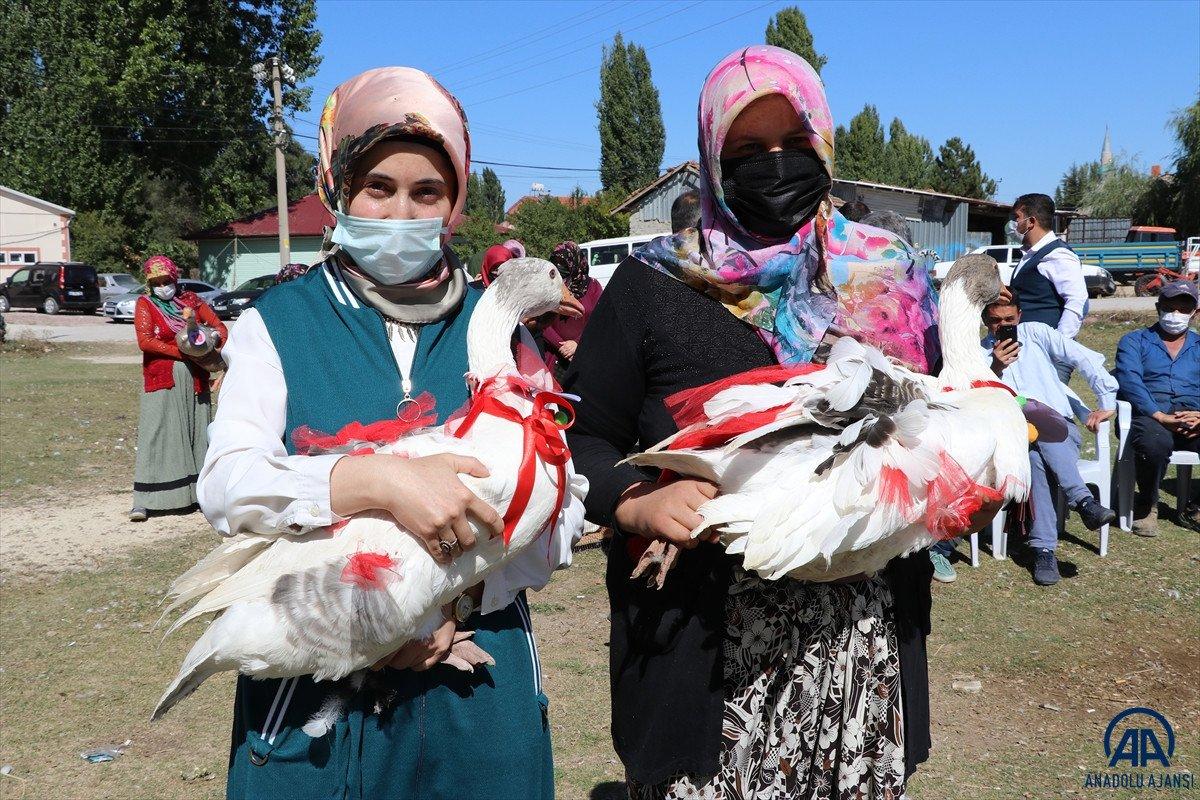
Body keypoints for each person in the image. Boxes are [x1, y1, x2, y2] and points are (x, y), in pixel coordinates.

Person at [566, 45, 945, 798]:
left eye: (793, 145)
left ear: (824, 145)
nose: (774, 166)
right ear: (710, 159)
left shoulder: (890, 275)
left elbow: (930, 420)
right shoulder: (651, 287)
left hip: (859, 643)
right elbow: (579, 435)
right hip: (704, 651)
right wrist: (636, 500)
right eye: (746, 150)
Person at [197, 66, 585, 800]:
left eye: (426, 192)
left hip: (478, 689)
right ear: (339, 188)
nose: (401, 211)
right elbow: (226, 486)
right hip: (315, 698)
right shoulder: (277, 327)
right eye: (378, 187)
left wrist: (450, 599)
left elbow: (564, 506)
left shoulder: (500, 332)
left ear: (456, 200)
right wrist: (370, 481)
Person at [983, 291, 1118, 585]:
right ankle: (1082, 503)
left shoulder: (1037, 334)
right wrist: (995, 368)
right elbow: (978, 396)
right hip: (1015, 439)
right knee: (1032, 455)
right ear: (985, 321)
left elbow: (1083, 357)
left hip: (1058, 429)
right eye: (995, 321)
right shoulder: (980, 355)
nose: (1003, 326)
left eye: (1009, 319)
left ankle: (1043, 548)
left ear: (1019, 316)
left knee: (1038, 430)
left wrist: (1106, 398)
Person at [130, 255, 226, 522]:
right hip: (163, 380)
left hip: (196, 378)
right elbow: (145, 341)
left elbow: (219, 328)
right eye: (157, 282)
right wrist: (180, 351)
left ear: (175, 278)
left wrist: (211, 338)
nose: (163, 286)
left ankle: (198, 495)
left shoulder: (192, 302)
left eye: (167, 280)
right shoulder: (146, 304)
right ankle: (146, 499)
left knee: (197, 433)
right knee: (159, 432)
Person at [1113, 280, 1200, 535]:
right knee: (1154, 443)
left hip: (1192, 416)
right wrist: (1159, 415)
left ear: (1194, 312)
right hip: (1150, 415)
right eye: (1169, 307)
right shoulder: (1134, 341)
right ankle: (1147, 504)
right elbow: (1129, 380)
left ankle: (1195, 506)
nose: (1176, 315)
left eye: (1184, 309)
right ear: (1157, 307)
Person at [1008, 194, 1087, 339]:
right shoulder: (1030, 254)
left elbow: (1077, 302)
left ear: (1031, 222)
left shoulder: (1058, 254)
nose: (1014, 223)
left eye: (1017, 217)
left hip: (1045, 349)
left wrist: (1059, 344)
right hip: (1027, 344)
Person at [541, 241, 601, 377]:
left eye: (563, 262)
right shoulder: (547, 287)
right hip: (553, 358)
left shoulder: (593, 287)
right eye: (555, 262)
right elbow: (541, 320)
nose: (559, 267)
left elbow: (599, 320)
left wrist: (577, 344)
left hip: (585, 355)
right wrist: (561, 346)